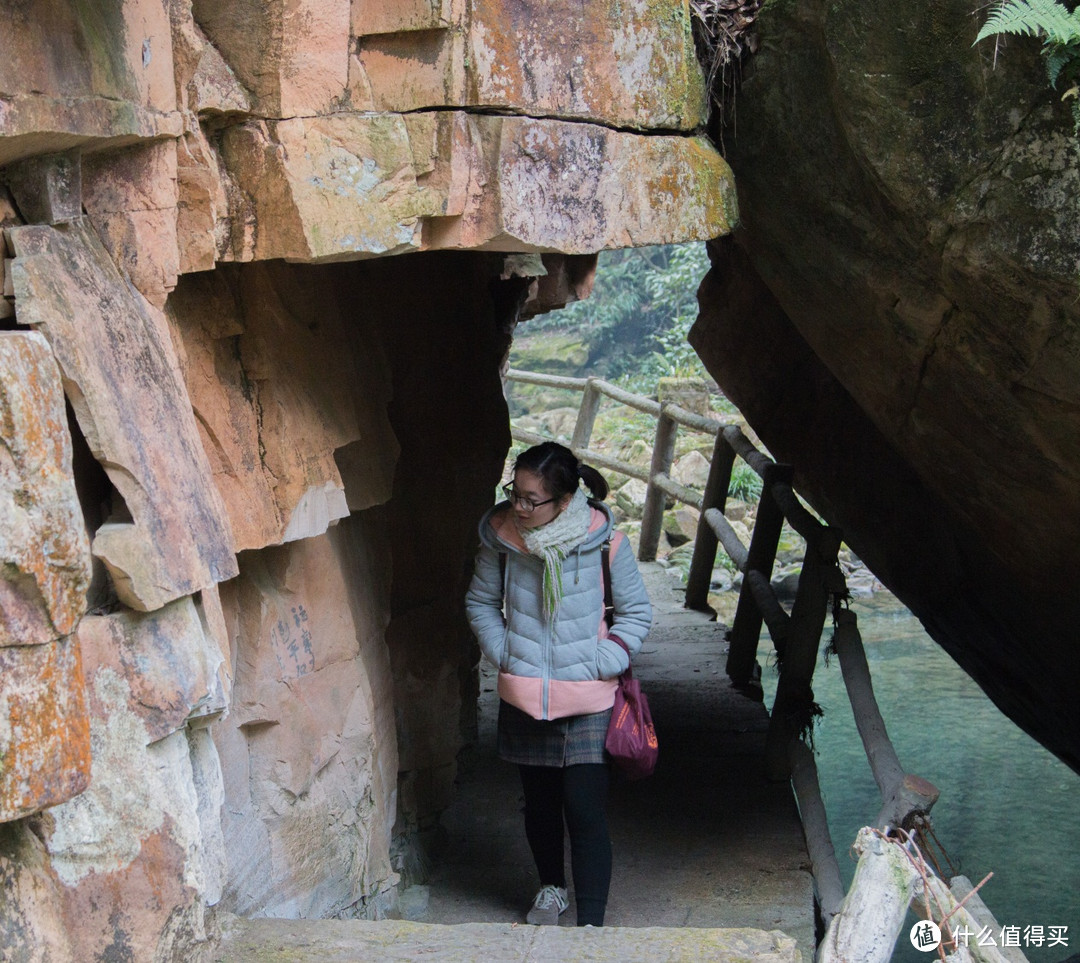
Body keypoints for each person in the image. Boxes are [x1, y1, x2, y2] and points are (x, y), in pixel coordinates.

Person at [465, 441, 652, 927]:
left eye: (531, 499)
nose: (519, 507)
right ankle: (551, 889)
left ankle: (591, 922)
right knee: (541, 807)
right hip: (526, 695)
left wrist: (603, 660)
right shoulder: (502, 539)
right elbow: (480, 602)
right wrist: (507, 653)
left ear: (564, 501)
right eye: (515, 494)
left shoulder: (605, 542)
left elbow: (636, 614)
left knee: (585, 809)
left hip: (588, 696)